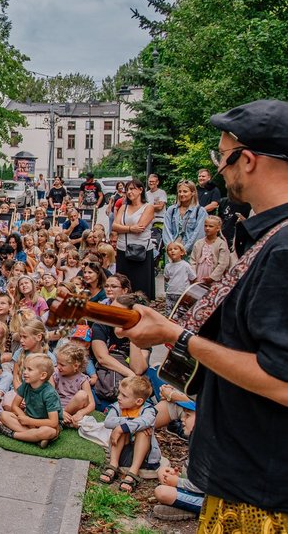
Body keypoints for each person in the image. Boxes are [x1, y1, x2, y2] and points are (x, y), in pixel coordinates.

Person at [118, 99, 288, 526]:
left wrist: (178, 338)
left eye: (222, 156)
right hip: (242, 477)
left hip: (262, 496)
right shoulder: (268, 239)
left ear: (247, 160)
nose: (220, 169)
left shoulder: (283, 250)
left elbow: (283, 382)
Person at [98, 376, 160, 493]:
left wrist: (123, 426)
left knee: (143, 430)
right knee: (121, 428)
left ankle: (133, 472)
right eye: (120, 393)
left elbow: (146, 421)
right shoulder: (118, 406)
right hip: (123, 453)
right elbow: (108, 422)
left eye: (124, 396)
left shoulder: (148, 410)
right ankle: (113, 465)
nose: (118, 397)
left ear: (139, 401)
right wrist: (124, 426)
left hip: (144, 459)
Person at [0, 353, 62, 449]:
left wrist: (30, 421)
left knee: (48, 431)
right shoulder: (26, 384)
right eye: (25, 368)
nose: (25, 372)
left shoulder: (49, 393)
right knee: (4, 415)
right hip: (29, 422)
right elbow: (15, 406)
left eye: (29, 369)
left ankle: (11, 433)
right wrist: (24, 418)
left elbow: (53, 422)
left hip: (45, 425)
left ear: (42, 375)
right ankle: (35, 438)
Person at [113, 179, 156, 299]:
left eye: (132, 189)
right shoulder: (123, 207)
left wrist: (125, 228)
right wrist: (131, 228)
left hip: (141, 249)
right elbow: (114, 226)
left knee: (141, 284)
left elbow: (140, 227)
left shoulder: (148, 207)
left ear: (140, 190)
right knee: (124, 282)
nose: (129, 192)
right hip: (123, 248)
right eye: (127, 189)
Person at [163, 179, 207, 257]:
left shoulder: (200, 211)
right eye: (179, 192)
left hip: (190, 254)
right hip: (172, 253)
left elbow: (198, 234)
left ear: (193, 193)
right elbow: (166, 230)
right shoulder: (171, 210)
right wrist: (172, 249)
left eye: (185, 191)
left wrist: (183, 250)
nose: (182, 194)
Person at [190, 216, 230, 284]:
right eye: (205, 226)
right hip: (198, 274)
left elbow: (223, 263)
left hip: (213, 276)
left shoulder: (221, 244)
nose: (207, 228)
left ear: (218, 228)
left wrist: (212, 277)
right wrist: (194, 276)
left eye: (211, 226)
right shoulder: (199, 243)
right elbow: (193, 260)